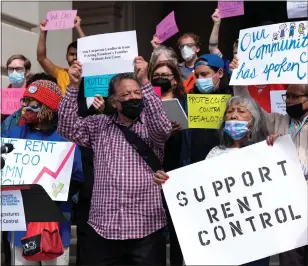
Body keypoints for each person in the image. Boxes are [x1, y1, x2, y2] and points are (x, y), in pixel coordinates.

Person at [57, 56, 172, 265]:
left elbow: (164, 128)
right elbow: (67, 128)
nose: (133, 98)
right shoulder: (98, 125)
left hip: (145, 227)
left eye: (137, 93)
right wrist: (73, 87)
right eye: (126, 94)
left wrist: (145, 81)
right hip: (105, 227)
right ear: (114, 102)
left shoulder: (151, 127)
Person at [154, 95, 273, 266]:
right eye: (230, 111)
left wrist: (279, 147)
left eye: (241, 111)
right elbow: (197, 187)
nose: (233, 115)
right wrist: (170, 181)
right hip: (223, 241)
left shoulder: (266, 151)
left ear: (254, 120)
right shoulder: (216, 152)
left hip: (255, 239)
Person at [230, 58, 308, 266]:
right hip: (288, 208)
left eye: (295, 96)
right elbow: (253, 109)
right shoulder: (279, 120)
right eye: (287, 96)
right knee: (291, 260)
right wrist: (239, 80)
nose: (289, 100)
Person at [2, 74, 83, 266]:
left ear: (48, 107)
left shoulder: (65, 138)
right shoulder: (13, 135)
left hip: (53, 222)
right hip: (21, 221)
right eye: (25, 101)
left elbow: (78, 178)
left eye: (33, 103)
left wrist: (58, 190)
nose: (26, 107)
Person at [151, 60, 189, 265]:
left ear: (175, 81)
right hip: (152, 172)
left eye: (165, 75)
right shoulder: (146, 104)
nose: (161, 79)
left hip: (178, 169)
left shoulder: (185, 103)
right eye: (156, 76)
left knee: (177, 228)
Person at [37, 16, 85, 94]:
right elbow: (41, 58)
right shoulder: (60, 73)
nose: (75, 57)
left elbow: (89, 49)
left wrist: (78, 27)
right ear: (66, 56)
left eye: (78, 54)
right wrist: (43, 32)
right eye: (72, 54)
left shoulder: (89, 74)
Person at [1, 55, 32, 132]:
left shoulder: (33, 95)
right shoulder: (2, 96)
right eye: (11, 69)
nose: (14, 72)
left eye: (18, 69)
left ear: (27, 72)